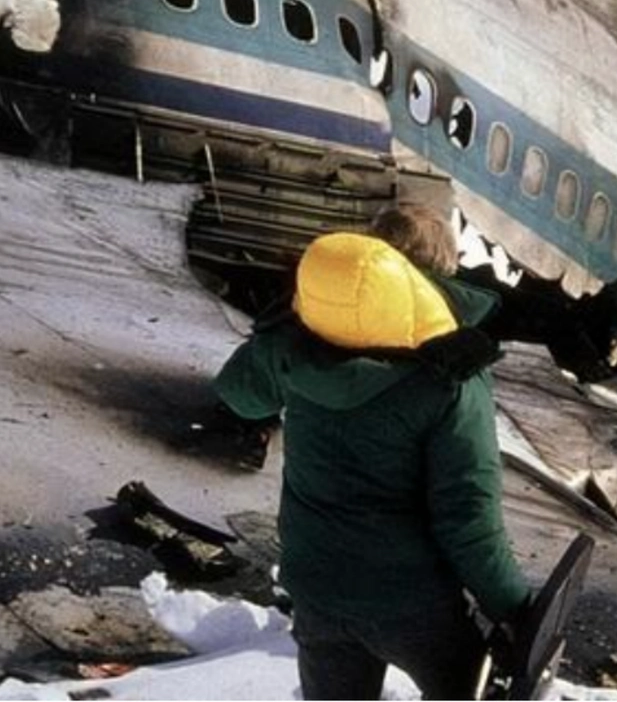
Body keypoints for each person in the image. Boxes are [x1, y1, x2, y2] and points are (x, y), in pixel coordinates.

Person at [214, 204, 530, 700]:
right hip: (412, 602)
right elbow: (467, 515)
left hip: (316, 587)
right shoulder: (449, 374)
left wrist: (281, 324)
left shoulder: (304, 341)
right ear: (443, 269)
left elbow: (238, 393)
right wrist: (514, 606)